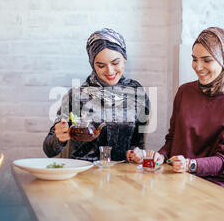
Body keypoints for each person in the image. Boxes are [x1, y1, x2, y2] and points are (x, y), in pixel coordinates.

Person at [127, 27, 224, 195]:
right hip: (181, 176)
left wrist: (191, 165)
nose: (198, 67)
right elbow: (172, 139)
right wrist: (160, 156)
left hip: (222, 182)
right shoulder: (184, 92)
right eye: (194, 59)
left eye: (207, 60)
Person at [43, 28, 150, 162]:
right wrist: (58, 138)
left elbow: (138, 145)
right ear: (93, 65)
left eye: (115, 63)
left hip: (122, 175)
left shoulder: (137, 93)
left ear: (124, 59)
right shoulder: (76, 96)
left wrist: (138, 154)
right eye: (101, 65)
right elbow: (49, 149)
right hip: (84, 175)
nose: (110, 71)